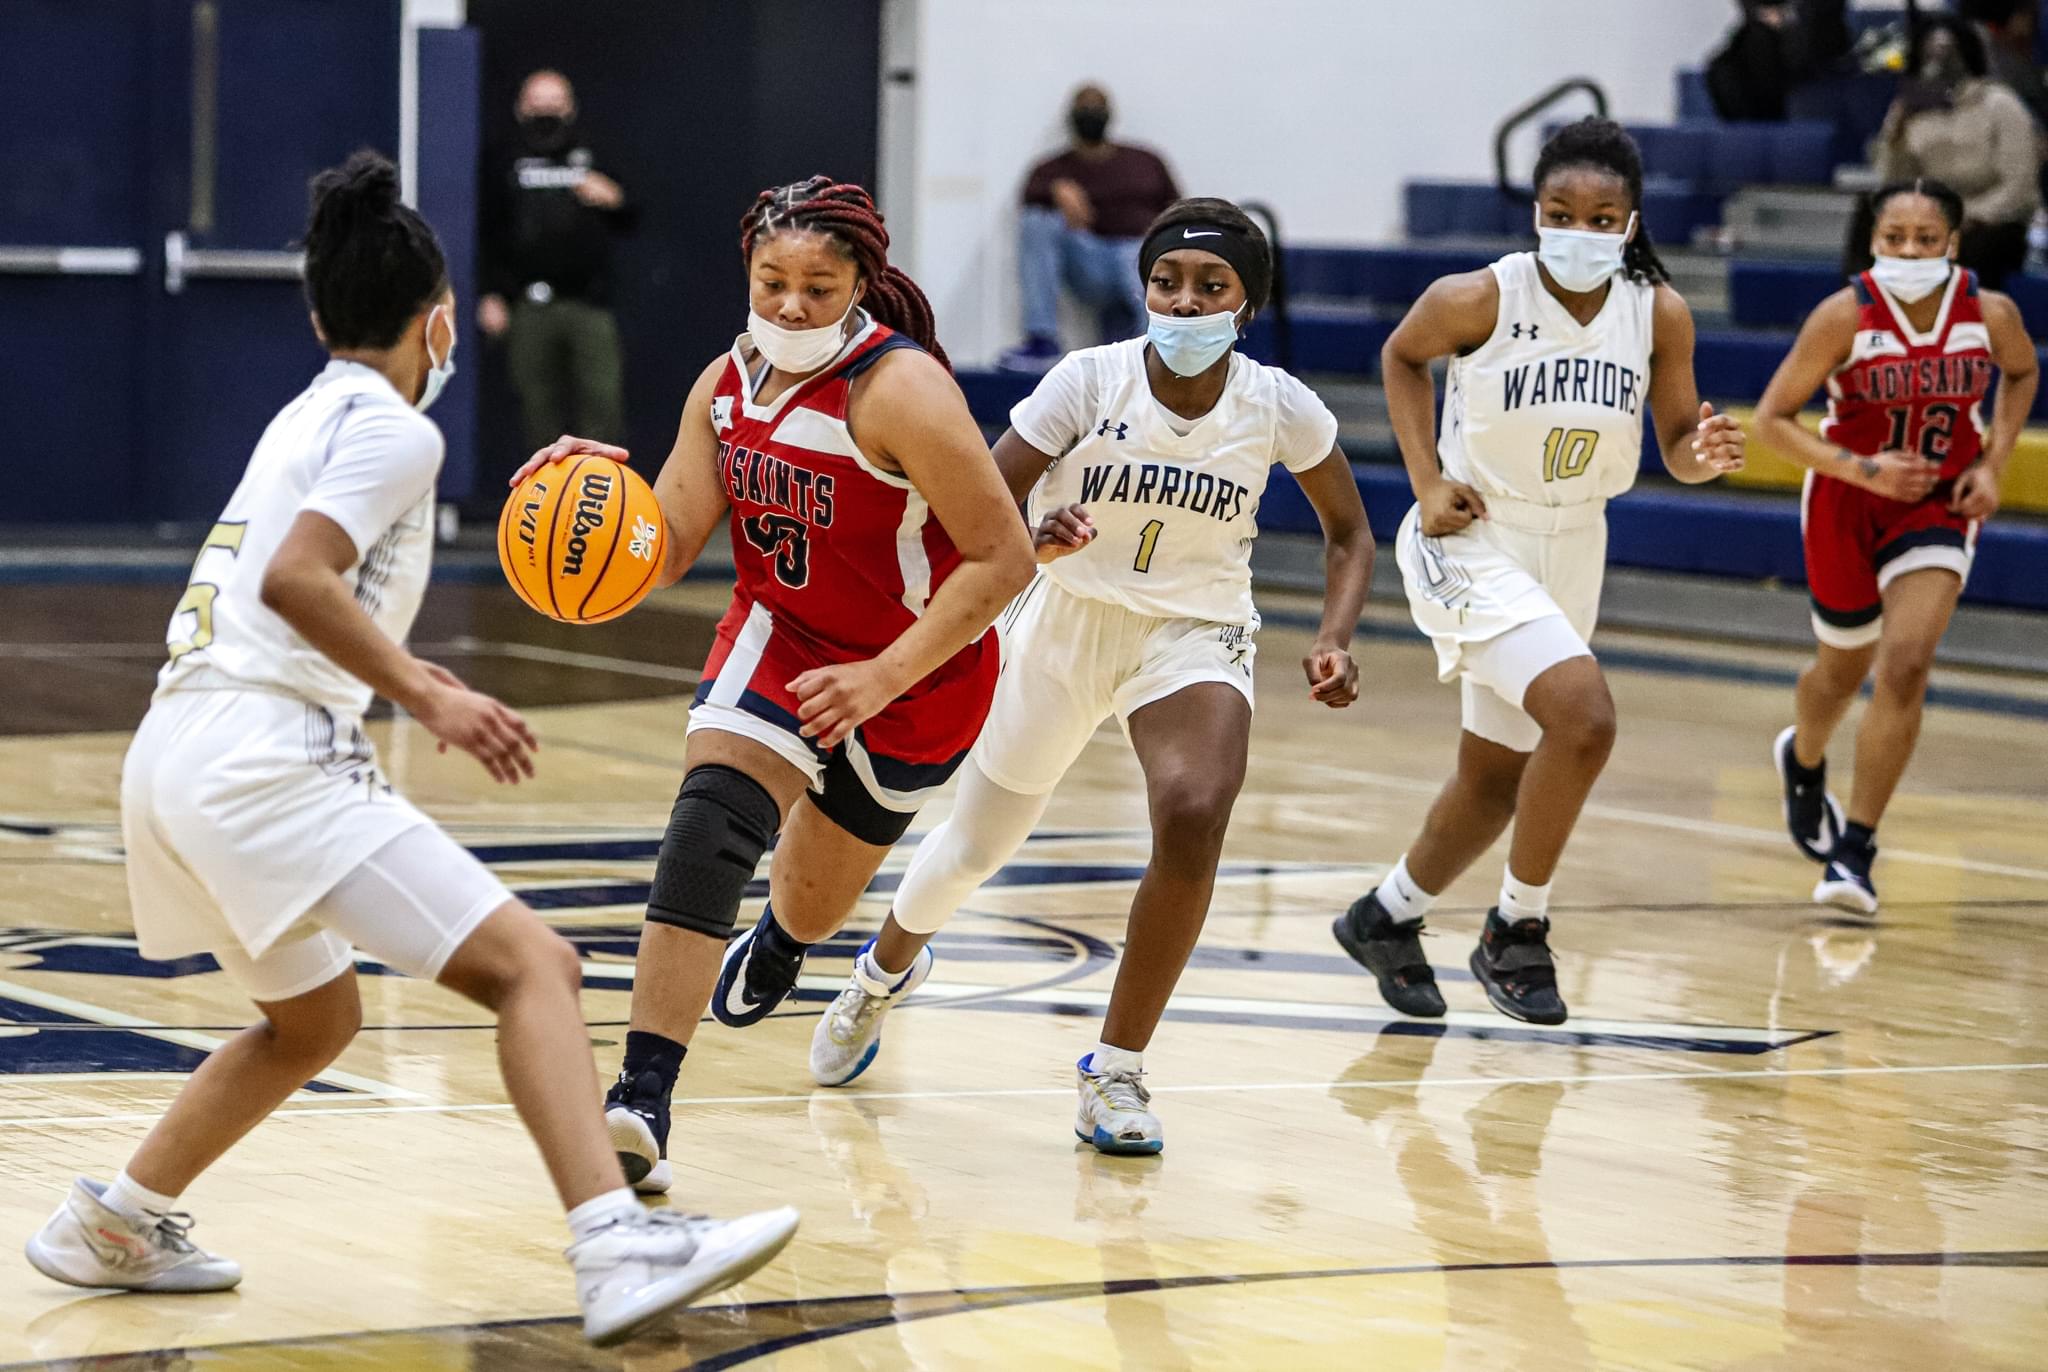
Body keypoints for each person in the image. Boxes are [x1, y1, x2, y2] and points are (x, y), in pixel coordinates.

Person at [21, 153, 795, 1348]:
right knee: (533, 966)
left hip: (172, 750)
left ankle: (116, 1221)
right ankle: (615, 1241)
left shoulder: (308, 410)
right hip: (266, 757)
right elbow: (295, 579)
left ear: (324, 315)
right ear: (439, 322)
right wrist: (427, 694)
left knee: (314, 1022)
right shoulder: (395, 430)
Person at [806, 197, 1375, 1156]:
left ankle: (1115, 1069)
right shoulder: (1088, 381)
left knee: (1195, 813)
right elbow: (972, 506)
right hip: (1065, 620)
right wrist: (1031, 537)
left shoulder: (1278, 404)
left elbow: (1350, 534)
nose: (1184, 302)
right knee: (978, 848)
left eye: (1210, 288)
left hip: (1194, 633)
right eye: (1167, 282)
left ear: (1245, 306)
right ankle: (880, 971)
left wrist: (1336, 635)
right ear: (1142, 288)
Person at [509, 177, 1034, 1194]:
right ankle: (641, 1097)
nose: (790, 305)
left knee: (813, 896)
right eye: (773, 281)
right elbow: (659, 549)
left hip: (918, 666)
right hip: (782, 637)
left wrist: (882, 675)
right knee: (707, 828)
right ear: (748, 271)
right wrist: (586, 506)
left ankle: (785, 938)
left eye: (818, 287)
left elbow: (1002, 559)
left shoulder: (902, 391)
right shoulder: (724, 384)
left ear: (861, 285)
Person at [1329, 119, 1746, 1027]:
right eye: (1562, 212)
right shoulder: (1480, 295)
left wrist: (1705, 454)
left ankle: (1384, 917)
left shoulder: (1658, 311)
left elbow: (1676, 444)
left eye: (1602, 218)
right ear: (1536, 213)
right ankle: (1517, 928)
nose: (1580, 230)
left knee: (1494, 778)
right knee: (1585, 720)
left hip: (1576, 541)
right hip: (1476, 537)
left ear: (1630, 224)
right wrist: (1426, 479)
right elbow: (1403, 356)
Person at [1758, 178, 2036, 915]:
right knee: (1838, 674)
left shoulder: (1990, 313)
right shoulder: (1844, 314)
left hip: (1939, 505)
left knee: (1906, 664)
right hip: (1849, 501)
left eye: (1925, 238)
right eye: (1894, 239)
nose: (1909, 251)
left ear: (1954, 242)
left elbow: (2022, 371)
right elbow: (1773, 421)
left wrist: (1993, 463)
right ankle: (1805, 755)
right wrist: (1863, 469)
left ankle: (1855, 854)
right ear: (1873, 243)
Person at [480, 69, 636, 453]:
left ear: (570, 108)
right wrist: (491, 293)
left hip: (589, 303)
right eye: (537, 103)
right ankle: (544, 502)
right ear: (521, 108)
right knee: (536, 409)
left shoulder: (595, 151)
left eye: (554, 103)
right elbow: (487, 230)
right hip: (529, 304)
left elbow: (633, 214)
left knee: (601, 403)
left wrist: (613, 198)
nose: (545, 112)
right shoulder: (503, 158)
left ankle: (601, 496)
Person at [999, 84, 1181, 373]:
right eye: (1084, 107)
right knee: (1037, 221)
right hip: (1089, 260)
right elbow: (1029, 198)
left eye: (1097, 107)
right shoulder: (1052, 168)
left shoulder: (1145, 161)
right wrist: (1056, 189)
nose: (1091, 114)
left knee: (1146, 253)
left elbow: (1177, 210)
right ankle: (1042, 339)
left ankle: (1156, 351)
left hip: (1140, 254)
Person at [1873, 15, 2039, 287]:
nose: (1938, 62)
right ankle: (1860, 314)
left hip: (1991, 221)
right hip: (1930, 219)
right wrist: (1897, 136)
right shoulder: (1909, 107)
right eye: (1931, 53)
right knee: (1867, 223)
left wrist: (1968, 216)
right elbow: (1893, 182)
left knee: (1974, 244)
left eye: (1946, 52)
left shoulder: (2000, 104)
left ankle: (1967, 322)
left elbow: (2020, 187)